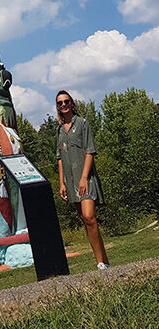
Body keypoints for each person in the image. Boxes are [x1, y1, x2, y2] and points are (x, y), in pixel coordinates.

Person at [56, 90, 110, 270]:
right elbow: (60, 158)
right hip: (70, 182)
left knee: (89, 216)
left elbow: (90, 151)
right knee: (85, 220)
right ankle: (104, 260)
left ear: (71, 103)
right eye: (60, 103)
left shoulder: (82, 123)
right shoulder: (59, 130)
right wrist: (62, 183)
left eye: (66, 101)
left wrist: (84, 178)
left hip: (85, 178)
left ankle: (100, 263)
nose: (63, 105)